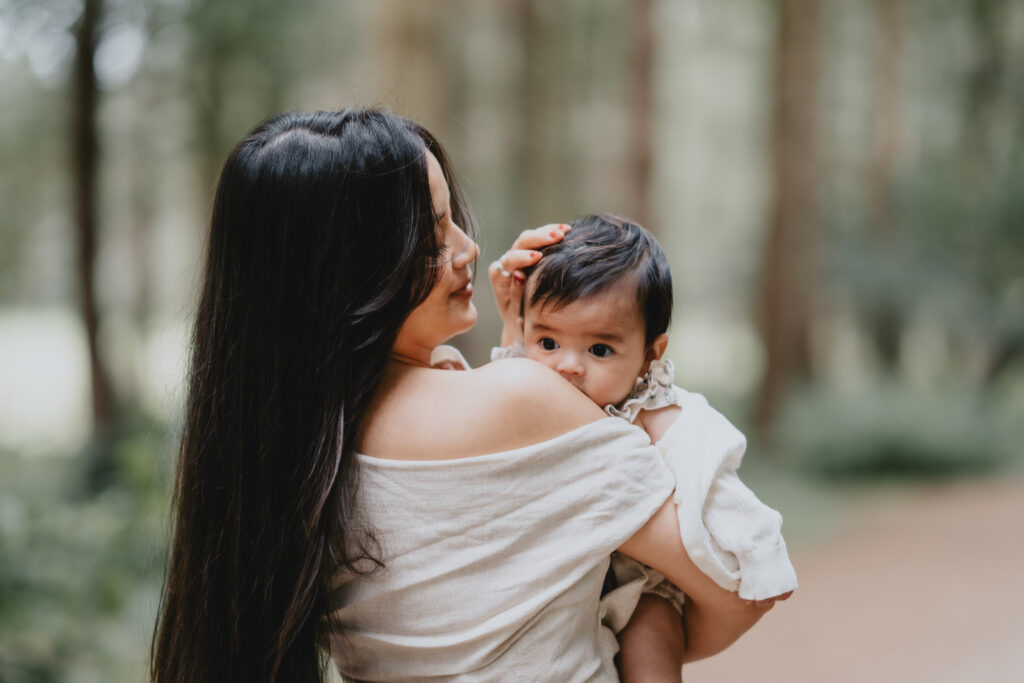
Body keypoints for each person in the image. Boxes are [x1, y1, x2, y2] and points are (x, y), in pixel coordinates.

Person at [150, 109, 771, 683]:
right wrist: (641, 631)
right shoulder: (523, 400)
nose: (469, 249)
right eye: (432, 236)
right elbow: (742, 582)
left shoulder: (283, 445)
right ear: (349, 273)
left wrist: (522, 337)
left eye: (453, 220)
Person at [489, 214, 797, 680]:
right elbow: (503, 382)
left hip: (641, 582)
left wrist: (760, 552)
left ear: (651, 356)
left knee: (653, 633)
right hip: (555, 574)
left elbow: (712, 479)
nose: (567, 366)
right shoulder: (532, 382)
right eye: (548, 341)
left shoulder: (654, 413)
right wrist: (511, 323)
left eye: (599, 350)